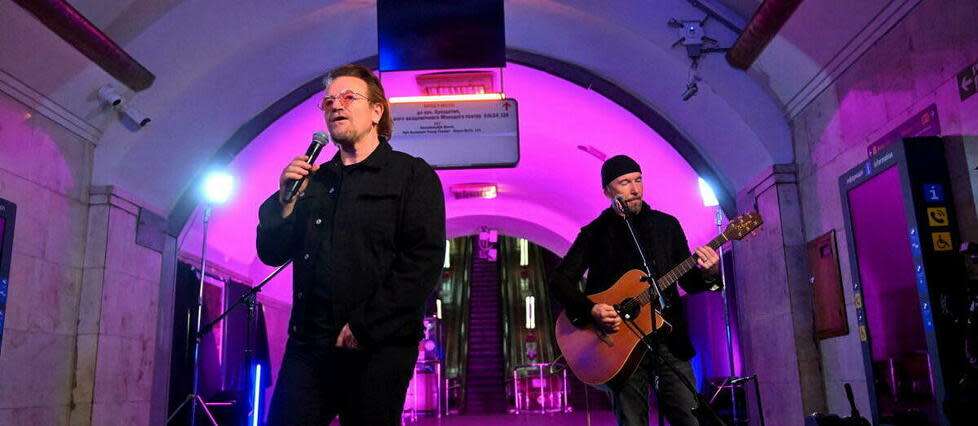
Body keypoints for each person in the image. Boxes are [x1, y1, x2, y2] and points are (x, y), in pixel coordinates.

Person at [257, 63, 446, 425]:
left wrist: (365, 326)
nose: (335, 106)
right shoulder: (312, 182)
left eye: (348, 97)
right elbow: (271, 252)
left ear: (377, 111)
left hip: (378, 347)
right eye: (328, 101)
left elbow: (422, 262)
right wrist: (284, 202)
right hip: (309, 345)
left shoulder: (412, 176)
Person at [549, 155, 720, 426]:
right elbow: (559, 280)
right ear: (608, 190)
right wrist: (591, 309)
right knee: (632, 421)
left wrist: (710, 274)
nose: (634, 188)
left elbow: (688, 282)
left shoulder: (667, 225)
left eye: (638, 180)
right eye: (624, 182)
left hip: (669, 339)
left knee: (689, 418)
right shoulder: (595, 232)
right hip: (620, 346)